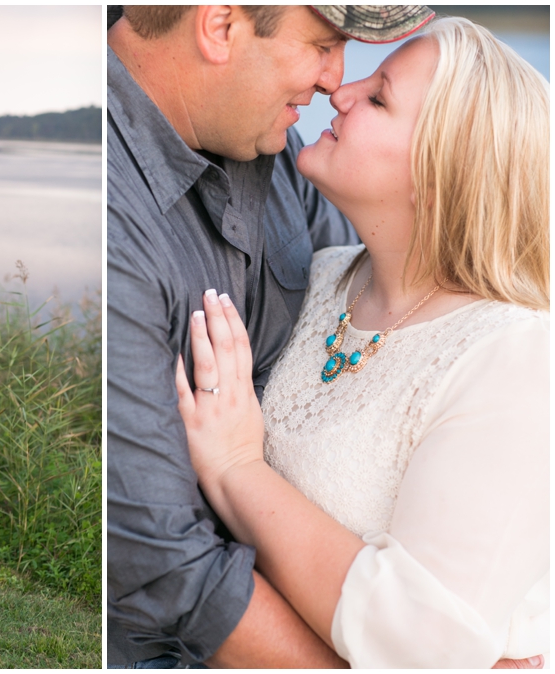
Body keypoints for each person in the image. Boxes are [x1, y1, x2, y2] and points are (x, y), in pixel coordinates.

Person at [178, 17, 548, 668]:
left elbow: (423, 641)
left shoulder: (513, 358)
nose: (339, 93)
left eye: (378, 97)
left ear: (439, 174)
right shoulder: (318, 277)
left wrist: (237, 468)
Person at [106, 5, 432, 668]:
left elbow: (383, 325)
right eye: (322, 44)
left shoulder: (272, 152)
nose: (334, 81)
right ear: (220, 25)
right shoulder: (115, 225)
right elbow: (167, 572)